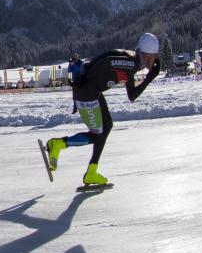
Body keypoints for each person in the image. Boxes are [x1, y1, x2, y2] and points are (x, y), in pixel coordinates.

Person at [44, 33, 161, 187]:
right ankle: (58, 144)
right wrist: (150, 78)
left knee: (107, 126)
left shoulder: (130, 59)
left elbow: (102, 60)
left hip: (92, 90)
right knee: (96, 136)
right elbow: (132, 95)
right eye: (154, 57)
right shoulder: (130, 65)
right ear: (148, 55)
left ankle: (92, 172)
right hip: (87, 94)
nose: (154, 61)